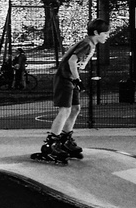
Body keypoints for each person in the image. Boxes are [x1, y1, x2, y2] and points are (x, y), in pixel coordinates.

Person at [42, 19, 109, 164]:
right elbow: (72, 61)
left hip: (70, 78)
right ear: (96, 33)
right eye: (105, 33)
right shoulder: (87, 43)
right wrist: (77, 80)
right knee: (65, 110)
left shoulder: (90, 43)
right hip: (65, 78)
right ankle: (51, 143)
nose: (107, 36)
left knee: (75, 108)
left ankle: (65, 139)